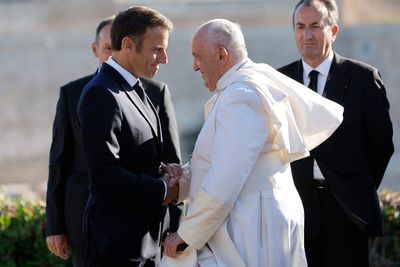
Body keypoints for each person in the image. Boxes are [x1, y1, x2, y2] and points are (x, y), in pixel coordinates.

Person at [162, 19, 344, 267]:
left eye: (197, 56)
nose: (195, 66)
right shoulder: (242, 86)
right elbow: (219, 161)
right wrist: (179, 180)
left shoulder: (241, 95)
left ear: (221, 54)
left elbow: (225, 177)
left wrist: (186, 235)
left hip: (252, 229)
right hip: (255, 221)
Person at [278, 1, 394, 266]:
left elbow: (381, 145)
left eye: (316, 26)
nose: (307, 35)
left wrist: (353, 184)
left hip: (346, 211)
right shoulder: (280, 81)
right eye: (300, 27)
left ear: (334, 30)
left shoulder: (363, 78)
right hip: (297, 211)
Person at [76, 6, 181, 267]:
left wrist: (164, 171)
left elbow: (137, 157)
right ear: (127, 44)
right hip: (117, 250)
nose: (164, 58)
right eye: (157, 49)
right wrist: (162, 189)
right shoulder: (101, 94)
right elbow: (104, 174)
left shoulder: (135, 87)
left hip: (145, 244)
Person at [45, 16, 114, 267]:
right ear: (95, 49)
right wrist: (54, 225)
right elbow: (58, 162)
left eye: (119, 47)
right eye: (108, 49)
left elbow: (169, 159)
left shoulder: (154, 92)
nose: (114, 56)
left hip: (137, 221)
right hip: (82, 219)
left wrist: (173, 224)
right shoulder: (71, 93)